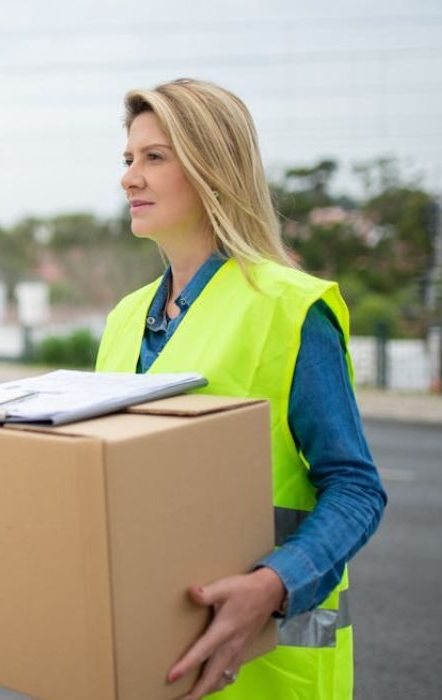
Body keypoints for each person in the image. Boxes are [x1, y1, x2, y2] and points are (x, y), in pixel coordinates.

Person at [95, 78, 387, 699]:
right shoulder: (123, 320)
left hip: (268, 671)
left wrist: (273, 584)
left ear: (212, 169)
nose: (129, 178)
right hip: (150, 660)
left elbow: (356, 487)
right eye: (127, 159)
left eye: (154, 157)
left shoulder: (289, 309)